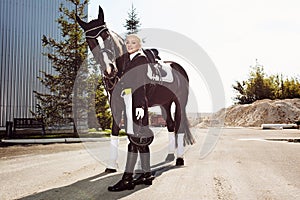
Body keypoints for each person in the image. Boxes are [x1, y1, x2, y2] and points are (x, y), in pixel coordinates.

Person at [108, 34, 154, 192]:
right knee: (140, 138)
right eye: (127, 42)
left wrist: (140, 105)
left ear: (139, 45)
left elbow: (142, 83)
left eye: (133, 42)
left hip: (137, 103)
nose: (129, 44)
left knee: (134, 139)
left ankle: (127, 179)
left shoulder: (141, 59)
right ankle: (147, 175)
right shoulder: (126, 59)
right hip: (128, 100)